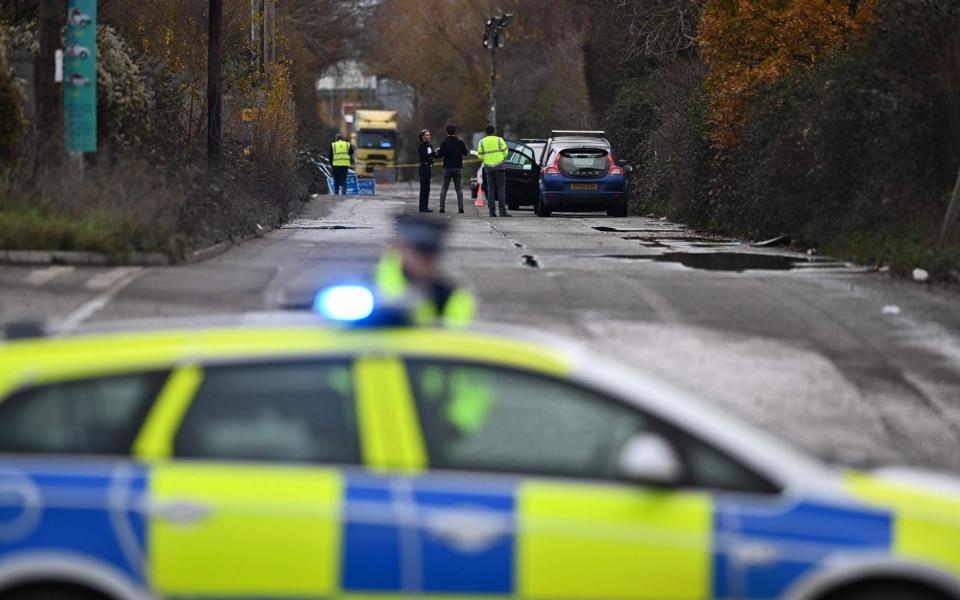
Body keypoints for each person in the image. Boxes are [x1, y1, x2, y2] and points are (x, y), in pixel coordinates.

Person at [375, 214, 475, 327]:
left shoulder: (452, 297)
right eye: (416, 251)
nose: (422, 260)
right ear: (397, 247)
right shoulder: (374, 282)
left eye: (428, 254)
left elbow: (459, 336)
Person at [476, 124, 510, 217]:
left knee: (491, 189)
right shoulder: (499, 140)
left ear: (486, 132)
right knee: (501, 190)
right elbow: (506, 152)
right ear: (494, 131)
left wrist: (487, 159)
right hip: (499, 167)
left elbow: (480, 156)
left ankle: (492, 212)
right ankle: (502, 211)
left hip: (488, 168)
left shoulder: (482, 142)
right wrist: (501, 158)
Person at [436, 124, 469, 214]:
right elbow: (465, 153)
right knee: (458, 189)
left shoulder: (444, 143)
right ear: (455, 131)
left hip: (447, 168)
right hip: (458, 167)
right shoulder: (460, 142)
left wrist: (436, 152)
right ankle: (461, 208)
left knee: (444, 188)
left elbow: (440, 155)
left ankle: (442, 208)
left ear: (447, 132)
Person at [417, 129, 435, 213]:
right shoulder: (421, 146)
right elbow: (424, 157)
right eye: (427, 135)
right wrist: (432, 153)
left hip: (428, 167)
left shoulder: (430, 145)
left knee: (427, 188)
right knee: (423, 188)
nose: (428, 136)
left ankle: (426, 206)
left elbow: (432, 156)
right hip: (423, 168)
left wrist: (437, 153)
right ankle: (422, 207)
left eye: (429, 135)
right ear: (423, 137)